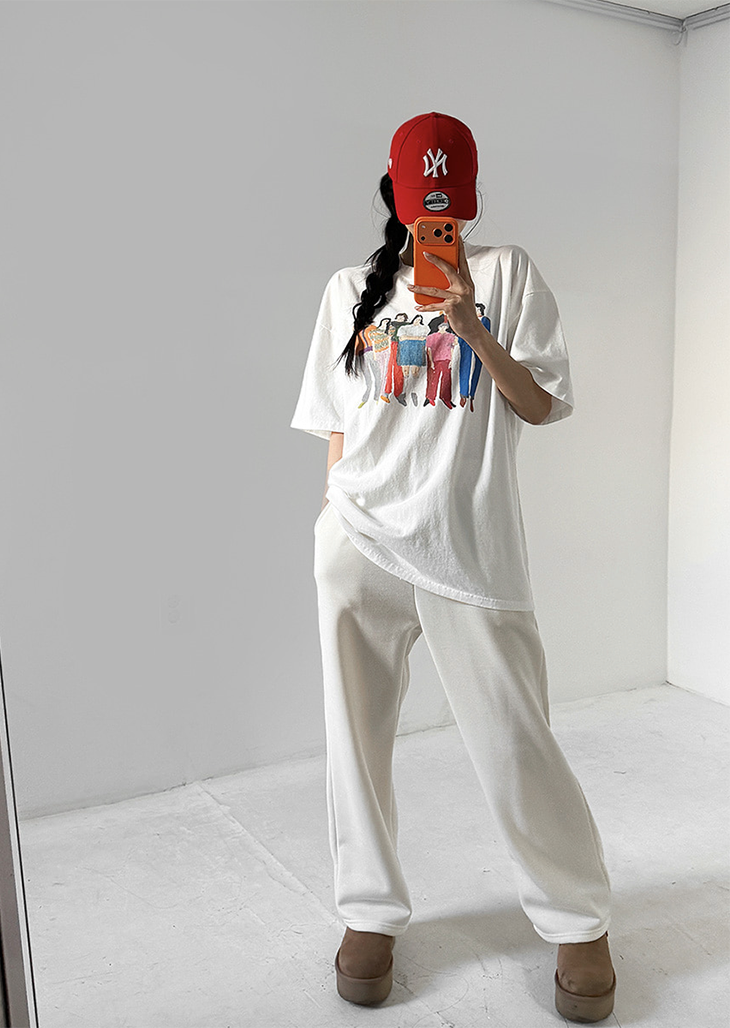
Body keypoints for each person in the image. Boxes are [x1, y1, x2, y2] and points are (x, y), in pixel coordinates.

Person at [290, 112, 617, 1023]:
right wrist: (332, 516)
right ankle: (368, 913)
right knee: (354, 741)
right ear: (397, 197)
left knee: (517, 741)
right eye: (424, 202)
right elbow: (337, 422)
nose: (439, 219)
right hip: (359, 541)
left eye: (451, 204)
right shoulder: (348, 290)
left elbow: (540, 406)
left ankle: (578, 920)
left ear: (467, 201)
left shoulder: (506, 275)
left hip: (468, 546)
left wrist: (472, 326)